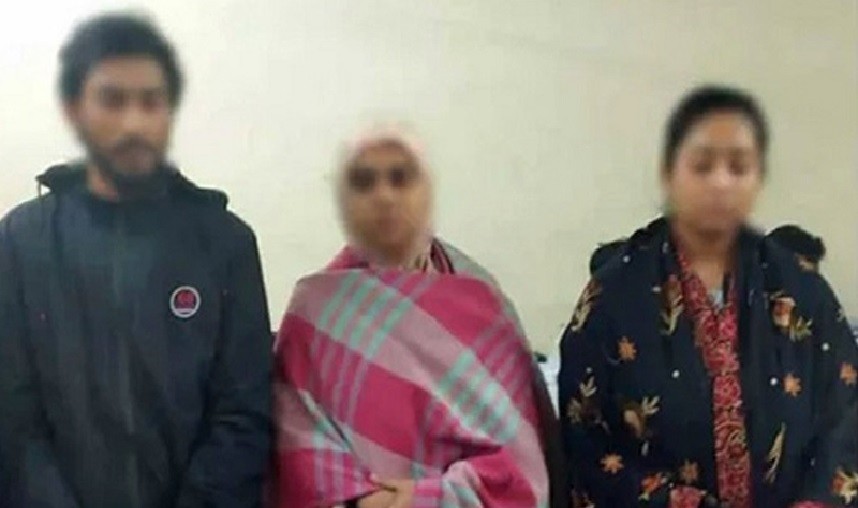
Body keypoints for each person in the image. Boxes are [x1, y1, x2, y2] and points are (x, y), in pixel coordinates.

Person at [0, 13, 272, 507]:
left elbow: (243, 415)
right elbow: (13, 420)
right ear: (75, 110)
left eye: (151, 101)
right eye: (112, 100)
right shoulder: (21, 241)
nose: (134, 122)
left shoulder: (225, 243)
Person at [558, 86, 857, 508]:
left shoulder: (803, 291)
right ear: (669, 175)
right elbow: (585, 442)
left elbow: (845, 420)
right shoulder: (613, 299)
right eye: (701, 166)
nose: (720, 183)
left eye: (738, 167)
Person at [272, 127, 559, 508]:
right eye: (364, 182)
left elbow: (522, 467)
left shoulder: (484, 306)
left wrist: (428, 499)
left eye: (400, 178)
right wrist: (365, 500)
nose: (384, 197)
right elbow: (300, 457)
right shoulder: (315, 314)